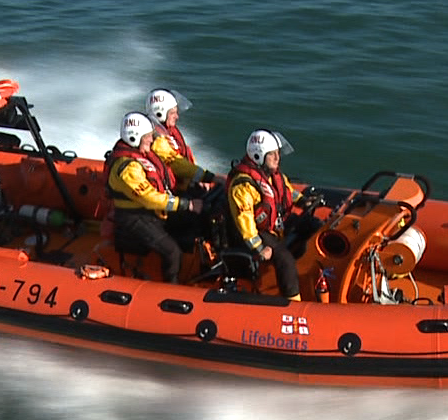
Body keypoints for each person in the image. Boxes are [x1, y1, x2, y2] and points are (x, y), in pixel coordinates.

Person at [104, 112, 203, 283]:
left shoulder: (142, 156)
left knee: (195, 222)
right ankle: (170, 286)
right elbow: (149, 198)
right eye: (148, 137)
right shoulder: (128, 169)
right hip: (135, 217)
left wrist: (204, 178)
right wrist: (186, 204)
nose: (151, 140)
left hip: (151, 212)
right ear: (135, 137)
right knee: (172, 251)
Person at [227, 129, 302, 301]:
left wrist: (303, 200)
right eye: (272, 155)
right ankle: (293, 304)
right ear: (258, 156)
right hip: (254, 233)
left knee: (307, 224)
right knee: (285, 260)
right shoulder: (243, 186)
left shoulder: (271, 175)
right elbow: (245, 223)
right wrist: (260, 248)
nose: (277, 158)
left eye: (277, 153)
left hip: (272, 225)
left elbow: (285, 192)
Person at [144, 88, 220, 195]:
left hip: (186, 184)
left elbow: (185, 155)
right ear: (160, 113)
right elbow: (176, 163)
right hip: (174, 193)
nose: (177, 116)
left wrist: (202, 180)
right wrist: (209, 177)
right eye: (173, 113)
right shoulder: (157, 141)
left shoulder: (168, 132)